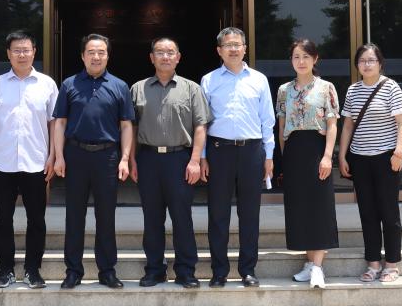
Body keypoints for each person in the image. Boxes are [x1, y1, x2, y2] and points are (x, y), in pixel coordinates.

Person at [52, 33, 135, 290]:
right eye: (91, 52)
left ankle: (107, 270)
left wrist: (124, 158)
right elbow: (60, 122)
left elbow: (126, 125)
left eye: (101, 52)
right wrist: (59, 156)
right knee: (74, 216)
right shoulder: (69, 84)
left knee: (106, 216)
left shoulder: (119, 86)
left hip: (107, 157)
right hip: (75, 154)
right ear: (82, 56)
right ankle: (73, 271)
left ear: (108, 56)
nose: (96, 57)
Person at [129, 37, 211, 289]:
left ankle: (186, 271)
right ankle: (154, 270)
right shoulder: (138, 89)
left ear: (178, 57)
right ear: (151, 57)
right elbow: (131, 127)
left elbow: (200, 126)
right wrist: (131, 159)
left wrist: (195, 160)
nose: (165, 57)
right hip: (148, 158)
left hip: (180, 159)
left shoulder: (191, 89)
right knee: (152, 218)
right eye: (160, 52)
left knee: (181, 217)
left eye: (170, 52)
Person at [0, 31, 58, 290]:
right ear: (8, 54)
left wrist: (53, 155)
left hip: (37, 161)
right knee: (3, 218)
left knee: (37, 219)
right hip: (2, 162)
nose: (22, 54)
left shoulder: (47, 84)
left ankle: (33, 270)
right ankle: (5, 270)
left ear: (34, 52)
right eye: (16, 50)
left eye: (26, 49)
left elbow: (54, 123)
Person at [199, 27, 275, 288]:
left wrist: (269, 156)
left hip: (252, 151)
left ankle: (248, 270)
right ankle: (219, 271)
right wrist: (202, 156)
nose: (233, 49)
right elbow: (202, 122)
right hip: (219, 150)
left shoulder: (259, 80)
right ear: (219, 50)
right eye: (228, 45)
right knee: (218, 213)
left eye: (237, 44)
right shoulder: (209, 80)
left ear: (245, 48)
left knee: (250, 213)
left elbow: (267, 120)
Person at [338, 43, 402, 283]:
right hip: (360, 159)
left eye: (371, 60)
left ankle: (392, 264)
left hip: (386, 159)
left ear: (380, 63)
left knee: (389, 213)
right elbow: (348, 126)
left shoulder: (391, 87)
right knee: (367, 213)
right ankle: (373, 263)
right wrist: (342, 155)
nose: (366, 65)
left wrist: (398, 153)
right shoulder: (353, 91)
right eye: (362, 61)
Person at [276, 38, 340, 289]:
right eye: (296, 56)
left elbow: (332, 124)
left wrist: (328, 156)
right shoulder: (284, 90)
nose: (301, 61)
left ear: (315, 59)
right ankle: (309, 263)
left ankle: (318, 267)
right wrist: (284, 157)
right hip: (293, 150)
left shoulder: (326, 87)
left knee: (319, 206)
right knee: (299, 207)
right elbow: (282, 126)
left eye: (306, 56)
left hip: (317, 148)